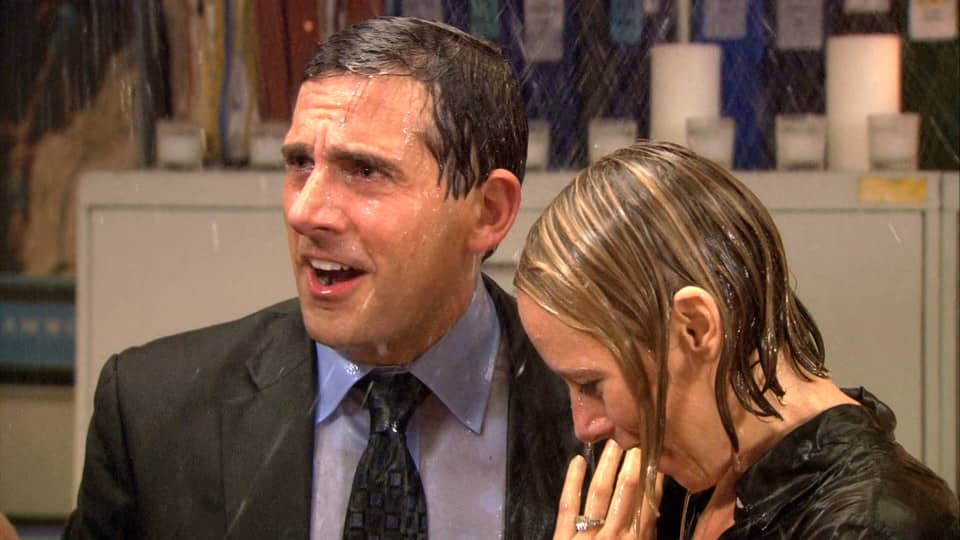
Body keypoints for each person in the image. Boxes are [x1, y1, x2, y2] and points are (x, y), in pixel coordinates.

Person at [64, 17, 586, 539]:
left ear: (488, 212)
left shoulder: (600, 419)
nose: (305, 212)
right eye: (299, 164)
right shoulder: (154, 415)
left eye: (364, 171)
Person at [514, 141, 960, 539]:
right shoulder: (691, 479)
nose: (584, 426)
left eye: (591, 385)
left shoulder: (873, 523)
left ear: (695, 328)